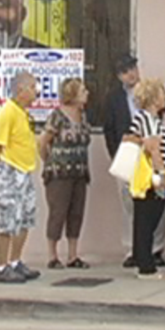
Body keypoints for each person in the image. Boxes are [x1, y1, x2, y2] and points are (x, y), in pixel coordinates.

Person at [103, 54, 165, 268]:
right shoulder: (113, 98)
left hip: (152, 155)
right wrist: (116, 154)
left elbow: (163, 122)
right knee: (130, 204)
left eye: (132, 68)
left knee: (156, 200)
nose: (130, 74)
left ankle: (156, 248)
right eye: (124, 71)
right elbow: (109, 129)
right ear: (119, 76)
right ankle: (133, 249)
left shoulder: (153, 93)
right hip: (129, 155)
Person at [0, 71, 42, 284]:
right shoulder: (7, 112)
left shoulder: (22, 113)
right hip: (9, 171)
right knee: (7, 220)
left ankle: (15, 261)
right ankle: (1, 266)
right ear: (21, 90)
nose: (36, 92)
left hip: (25, 171)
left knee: (25, 218)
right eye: (33, 87)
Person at [124, 78, 165, 280]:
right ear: (154, 97)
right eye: (162, 93)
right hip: (153, 178)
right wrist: (162, 175)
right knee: (148, 220)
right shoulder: (147, 120)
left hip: (153, 177)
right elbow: (153, 148)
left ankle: (142, 261)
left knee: (145, 220)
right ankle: (146, 267)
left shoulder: (153, 120)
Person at [39, 77, 92, 269]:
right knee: (58, 212)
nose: (87, 94)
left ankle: (72, 255)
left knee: (76, 212)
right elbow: (43, 141)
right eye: (83, 91)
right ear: (73, 94)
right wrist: (48, 161)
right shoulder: (57, 116)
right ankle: (52, 255)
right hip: (59, 172)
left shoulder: (83, 115)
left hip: (79, 170)